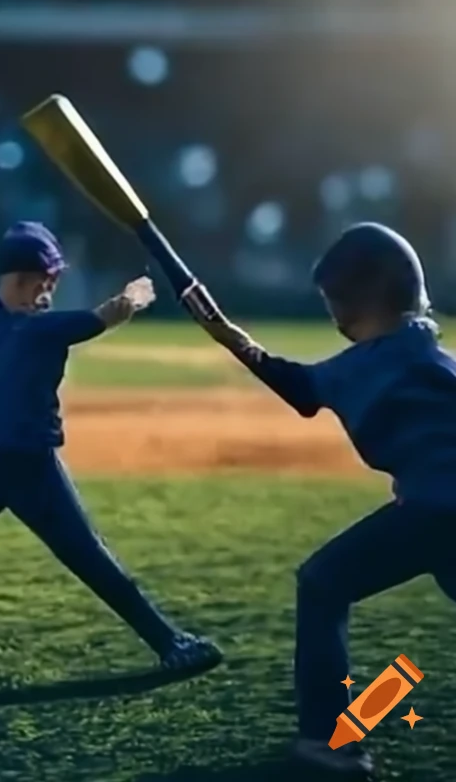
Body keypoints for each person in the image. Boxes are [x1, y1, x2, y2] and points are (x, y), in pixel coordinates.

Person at [0, 221, 223, 684]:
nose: (40, 291)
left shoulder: (3, 319)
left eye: (46, 282)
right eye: (34, 282)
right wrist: (138, 295)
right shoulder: (4, 321)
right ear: (12, 281)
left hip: (34, 469)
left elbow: (91, 318)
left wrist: (121, 298)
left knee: (92, 561)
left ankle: (171, 643)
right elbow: (104, 315)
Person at [188, 222, 456, 776]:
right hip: (436, 510)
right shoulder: (438, 358)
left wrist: (225, 332)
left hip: (432, 510)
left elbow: (298, 388)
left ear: (356, 298)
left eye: (334, 298)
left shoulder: (363, 364)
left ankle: (329, 743)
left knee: (323, 582)